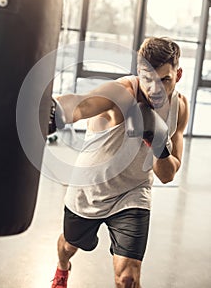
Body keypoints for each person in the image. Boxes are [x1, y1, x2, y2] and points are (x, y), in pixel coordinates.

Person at [50, 37, 189, 288]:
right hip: (91, 189)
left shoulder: (179, 107)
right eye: (148, 78)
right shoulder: (122, 91)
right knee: (69, 246)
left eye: (164, 79)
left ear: (177, 75)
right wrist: (54, 111)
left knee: (127, 278)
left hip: (134, 192)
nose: (155, 89)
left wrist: (157, 145)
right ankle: (62, 269)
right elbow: (83, 105)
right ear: (139, 72)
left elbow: (168, 174)